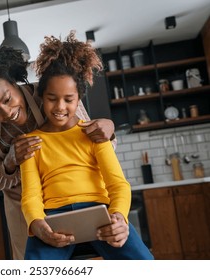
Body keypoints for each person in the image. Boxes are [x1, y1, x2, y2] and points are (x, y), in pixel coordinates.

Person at [0, 42, 116, 260]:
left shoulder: (52, 93)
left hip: (70, 195)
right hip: (24, 207)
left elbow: (98, 145)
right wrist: (11, 162)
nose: (7, 112)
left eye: (7, 99)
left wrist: (109, 129)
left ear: (14, 82)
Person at [20, 31, 153, 260]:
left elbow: (118, 185)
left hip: (101, 215)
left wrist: (119, 217)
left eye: (68, 99)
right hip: (54, 220)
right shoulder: (30, 143)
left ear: (78, 98)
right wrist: (36, 223)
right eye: (52, 98)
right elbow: (30, 195)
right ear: (41, 96)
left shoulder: (94, 134)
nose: (59, 106)